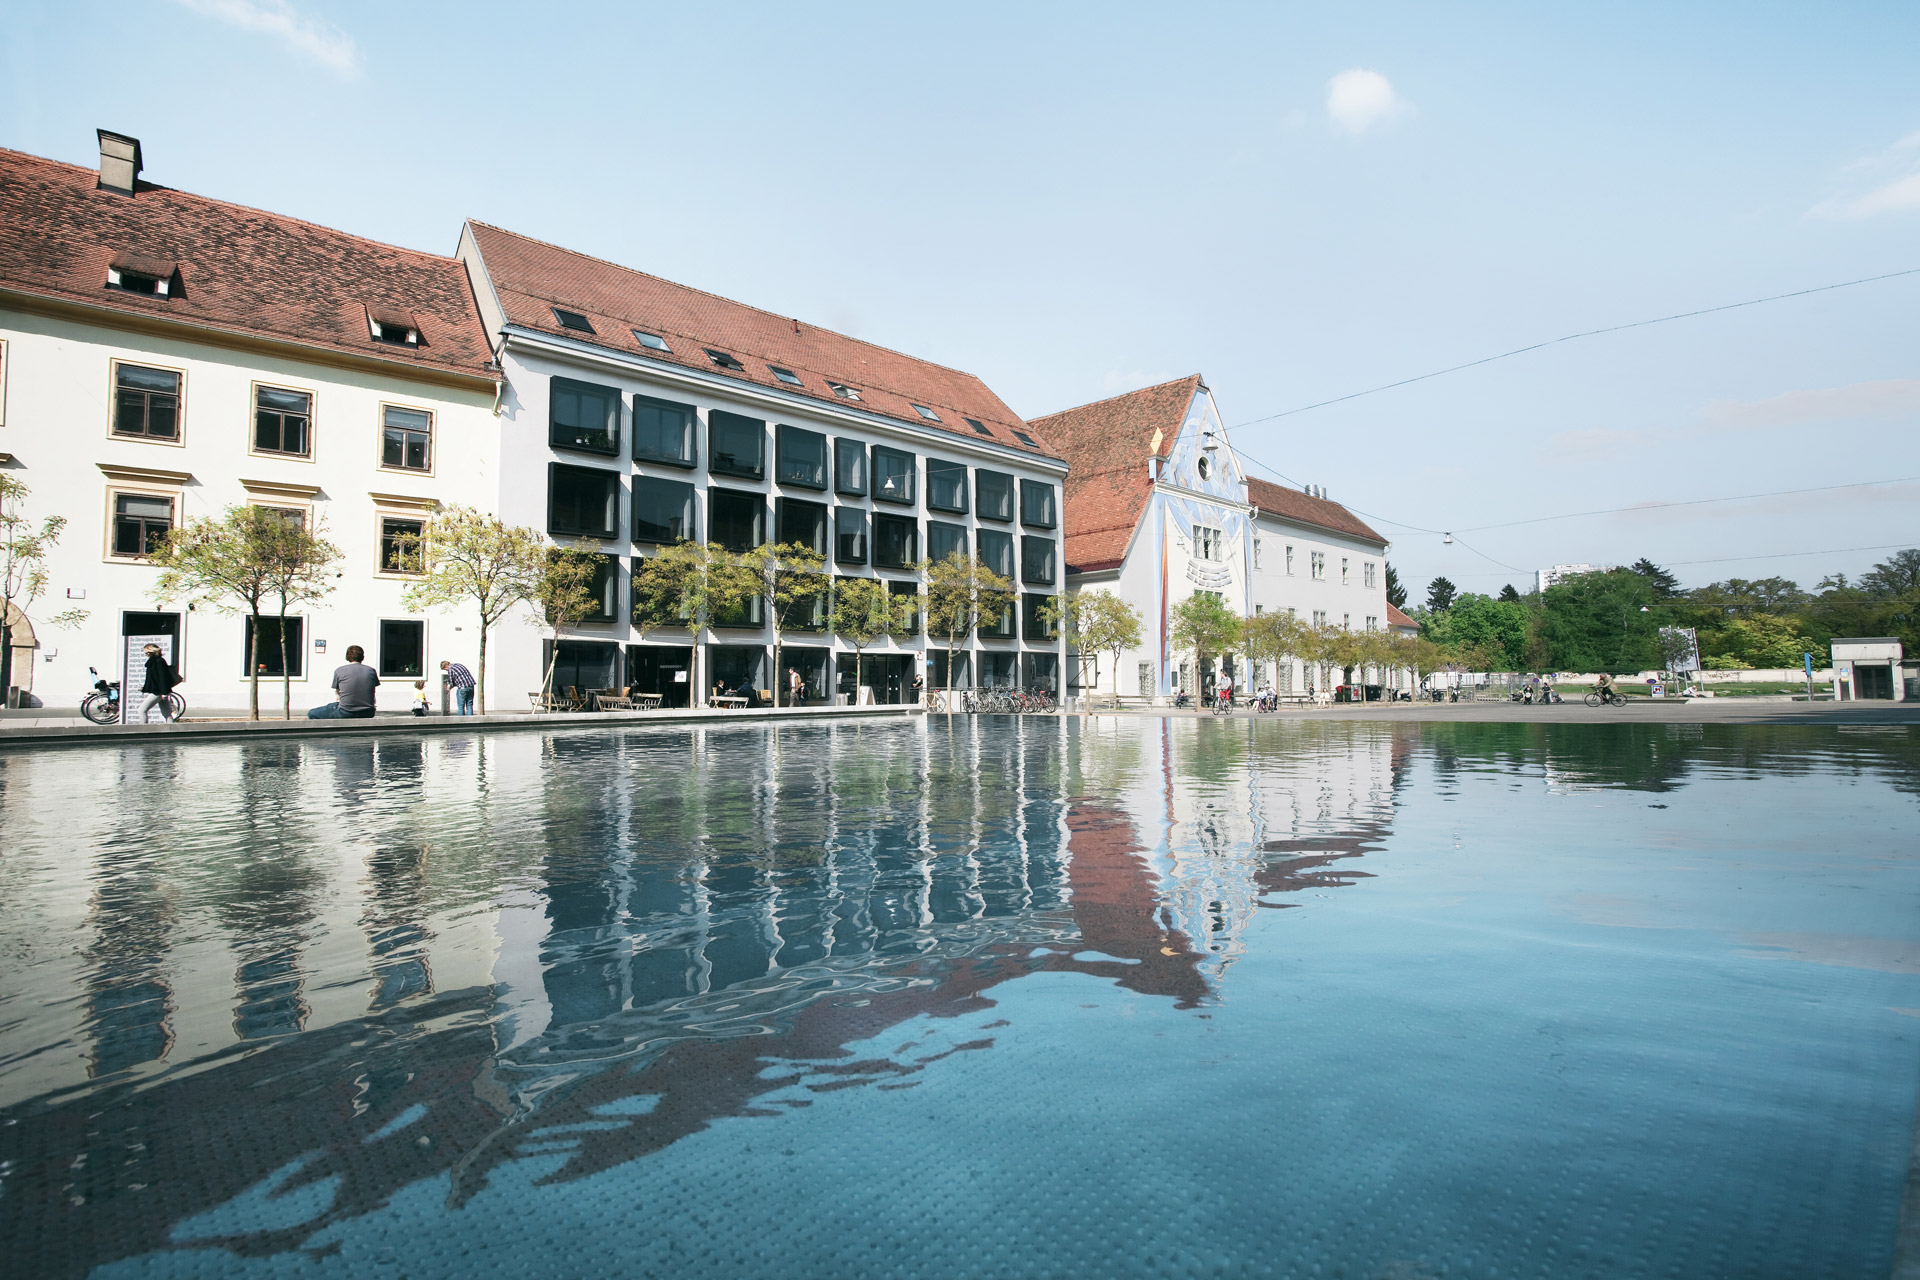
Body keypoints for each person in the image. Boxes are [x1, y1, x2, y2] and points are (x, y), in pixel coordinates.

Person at [308, 645, 379, 719]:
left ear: (347, 656)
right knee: (333, 706)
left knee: (312, 713)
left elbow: (338, 692)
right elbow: (372, 690)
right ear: (362, 657)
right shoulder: (371, 671)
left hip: (346, 711)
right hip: (368, 712)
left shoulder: (339, 671)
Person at [138, 643, 179, 723]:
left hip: (158, 691)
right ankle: (171, 728)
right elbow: (153, 679)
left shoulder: (158, 661)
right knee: (166, 713)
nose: (146, 654)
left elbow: (162, 678)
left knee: (142, 710)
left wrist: (164, 692)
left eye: (147, 652)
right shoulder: (153, 662)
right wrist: (144, 688)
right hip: (160, 691)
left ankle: (143, 728)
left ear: (151, 651)